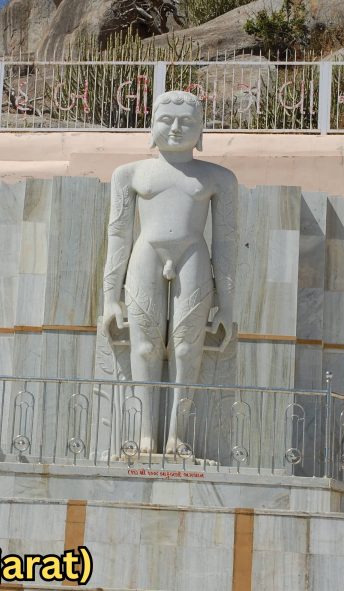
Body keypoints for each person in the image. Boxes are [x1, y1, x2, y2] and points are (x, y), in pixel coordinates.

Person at [101, 90, 238, 454]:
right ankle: (146, 435)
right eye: (166, 120)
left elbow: (226, 241)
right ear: (152, 125)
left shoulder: (219, 178)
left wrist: (227, 305)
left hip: (193, 254)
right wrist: (110, 298)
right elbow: (118, 234)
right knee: (145, 345)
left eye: (187, 122)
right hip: (146, 253)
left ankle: (177, 435)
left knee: (186, 347)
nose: (176, 128)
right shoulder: (129, 174)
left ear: (201, 129)